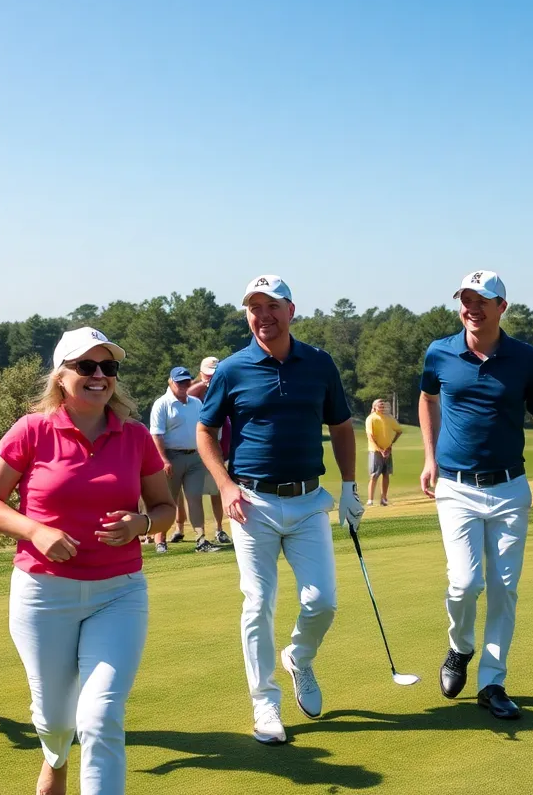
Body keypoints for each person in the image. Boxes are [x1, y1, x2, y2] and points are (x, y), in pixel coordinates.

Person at [0, 327, 175, 795]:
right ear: (62, 376)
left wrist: (140, 525)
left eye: (108, 367)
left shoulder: (137, 436)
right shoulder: (33, 429)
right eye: (86, 366)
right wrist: (34, 530)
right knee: (54, 718)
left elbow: (164, 509)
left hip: (119, 592)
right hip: (44, 593)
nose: (99, 375)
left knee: (101, 715)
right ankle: (55, 759)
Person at [196, 274, 363, 745]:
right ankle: (265, 703)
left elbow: (343, 426)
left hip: (310, 501)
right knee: (258, 603)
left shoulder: (320, 364)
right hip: (251, 502)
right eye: (254, 308)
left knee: (322, 600)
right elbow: (205, 432)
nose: (263, 316)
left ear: (291, 311)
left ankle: (300, 657)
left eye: (272, 306)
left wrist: (350, 486)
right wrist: (225, 485)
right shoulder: (231, 369)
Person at [418, 269, 533, 722]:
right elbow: (427, 399)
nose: (471, 307)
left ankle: (492, 681)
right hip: (456, 486)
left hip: (509, 487)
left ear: (501, 307)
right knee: (465, 583)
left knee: (504, 589)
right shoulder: (440, 352)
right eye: (465, 299)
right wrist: (429, 456)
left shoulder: (525, 357)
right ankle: (459, 647)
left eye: (481, 300)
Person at [150, 366, 220, 553]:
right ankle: (160, 540)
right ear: (171, 382)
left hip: (195, 457)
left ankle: (201, 540)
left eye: (186, 381)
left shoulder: (196, 403)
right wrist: (164, 459)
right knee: (167, 501)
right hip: (171, 458)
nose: (183, 385)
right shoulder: (162, 404)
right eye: (179, 382)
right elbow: (157, 435)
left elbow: (204, 430)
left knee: (194, 498)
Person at [188, 356, 232, 544]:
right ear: (201, 374)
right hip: (202, 448)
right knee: (195, 493)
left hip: (223, 445)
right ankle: (200, 535)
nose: (211, 378)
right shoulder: (195, 392)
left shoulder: (225, 383)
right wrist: (202, 385)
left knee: (217, 490)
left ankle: (220, 529)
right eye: (208, 375)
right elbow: (188, 394)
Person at [365, 399, 403, 506]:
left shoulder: (389, 418)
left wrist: (390, 445)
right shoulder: (371, 418)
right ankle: (370, 499)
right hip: (375, 450)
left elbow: (399, 431)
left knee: (386, 474)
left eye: (383, 406)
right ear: (375, 407)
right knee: (374, 475)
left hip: (387, 450)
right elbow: (370, 436)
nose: (382, 408)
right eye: (380, 406)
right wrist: (380, 449)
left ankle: (384, 498)